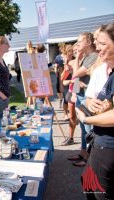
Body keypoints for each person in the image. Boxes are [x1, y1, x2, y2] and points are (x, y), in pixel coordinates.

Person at [75, 22, 114, 199]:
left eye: (102, 43)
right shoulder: (105, 69)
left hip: (108, 144)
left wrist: (86, 119)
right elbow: (92, 97)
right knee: (88, 184)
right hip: (100, 141)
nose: (97, 47)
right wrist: (92, 104)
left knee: (100, 193)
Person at [68, 32, 98, 161]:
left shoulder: (93, 56)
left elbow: (75, 75)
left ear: (89, 42)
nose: (78, 43)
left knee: (88, 128)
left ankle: (89, 160)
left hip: (87, 97)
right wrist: (74, 94)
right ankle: (83, 153)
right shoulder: (86, 57)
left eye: (80, 41)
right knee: (82, 127)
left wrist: (77, 60)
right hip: (80, 96)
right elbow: (75, 81)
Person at [54, 43, 65, 108]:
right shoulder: (58, 57)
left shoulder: (67, 56)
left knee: (65, 87)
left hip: (66, 73)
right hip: (59, 73)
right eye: (61, 48)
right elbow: (55, 64)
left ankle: (64, 99)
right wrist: (55, 71)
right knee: (58, 88)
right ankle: (60, 99)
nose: (61, 49)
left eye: (63, 47)